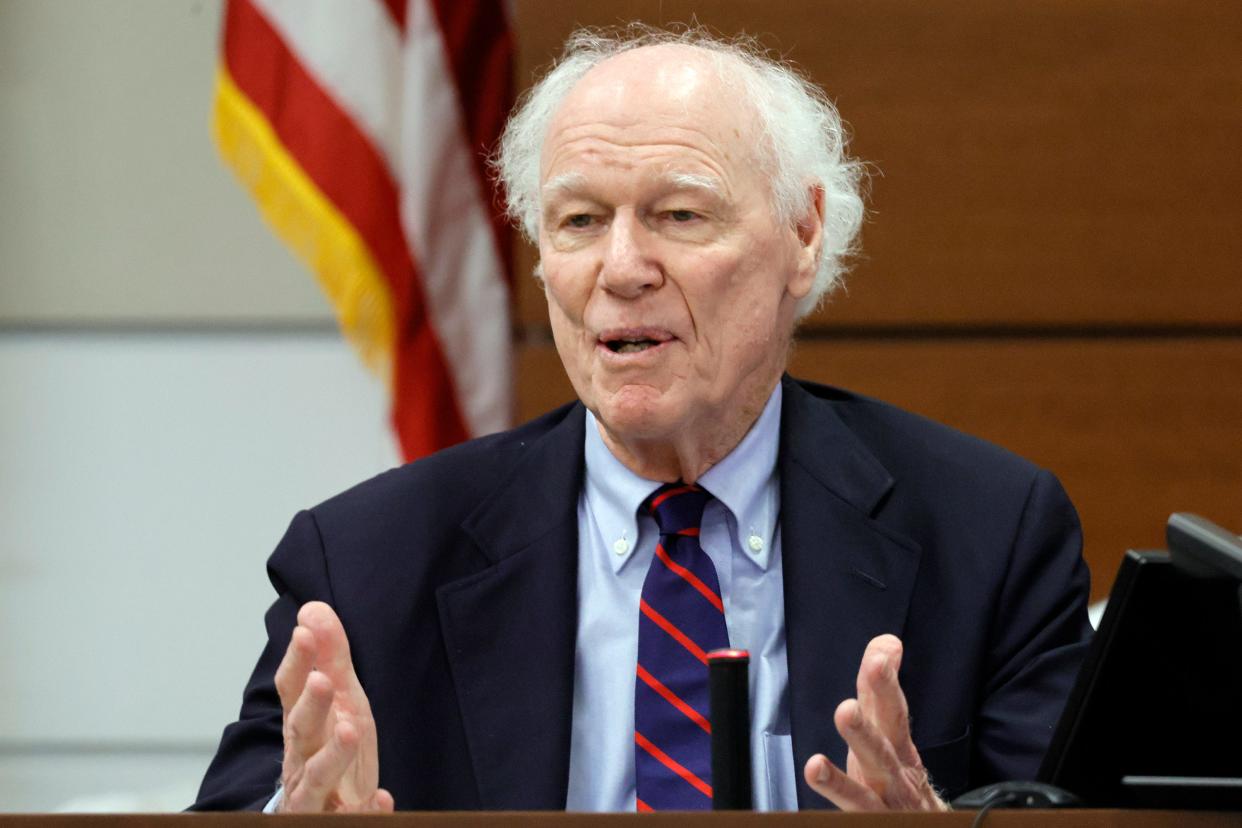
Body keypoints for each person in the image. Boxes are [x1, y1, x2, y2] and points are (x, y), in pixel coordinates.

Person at [191, 26, 1090, 813]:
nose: (622, 269)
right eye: (579, 221)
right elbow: (243, 803)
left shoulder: (990, 535)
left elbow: (1080, 809)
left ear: (803, 236)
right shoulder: (368, 562)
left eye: (679, 215)